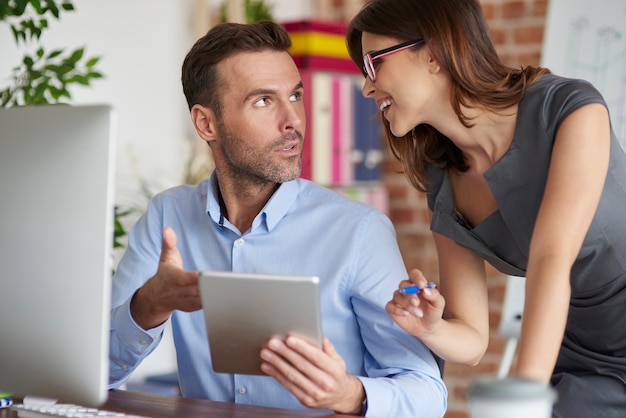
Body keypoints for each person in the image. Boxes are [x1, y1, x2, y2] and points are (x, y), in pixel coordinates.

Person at [108, 20, 447, 417]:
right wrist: (148, 305)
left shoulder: (358, 231)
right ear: (206, 123)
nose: (294, 121)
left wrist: (348, 395)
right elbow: (95, 373)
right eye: (264, 101)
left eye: (295, 95)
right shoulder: (168, 217)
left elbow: (427, 393)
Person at [346, 0, 626, 416]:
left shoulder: (569, 108)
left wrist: (526, 392)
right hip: (582, 364)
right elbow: (473, 339)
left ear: (434, 54)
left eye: (373, 64)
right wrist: (433, 326)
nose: (367, 88)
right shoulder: (440, 175)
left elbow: (552, 258)